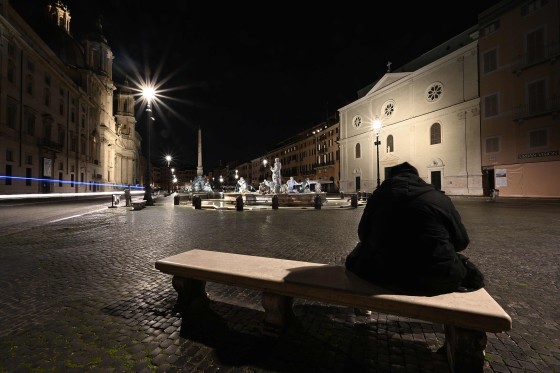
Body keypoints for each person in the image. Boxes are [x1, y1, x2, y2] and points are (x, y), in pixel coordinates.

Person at [345, 162, 484, 296]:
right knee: (470, 272)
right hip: (435, 278)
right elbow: (461, 242)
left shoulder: (377, 197)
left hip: (381, 273)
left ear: (391, 178)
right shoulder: (439, 198)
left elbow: (363, 234)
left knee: (356, 255)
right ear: (417, 178)